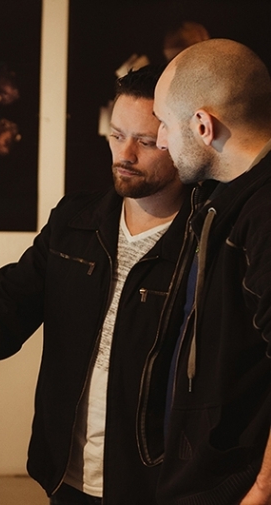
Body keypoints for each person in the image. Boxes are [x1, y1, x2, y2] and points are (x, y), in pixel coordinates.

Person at [0, 65, 189, 504]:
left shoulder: (208, 239)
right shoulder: (76, 220)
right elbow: (12, 299)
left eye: (146, 142)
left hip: (157, 478)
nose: (124, 153)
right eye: (116, 135)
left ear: (181, 139)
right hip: (67, 472)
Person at [152, 38, 271, 505]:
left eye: (163, 124)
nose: (160, 140)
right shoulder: (227, 199)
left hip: (238, 487)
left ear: (202, 125)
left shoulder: (263, 214)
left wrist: (261, 491)